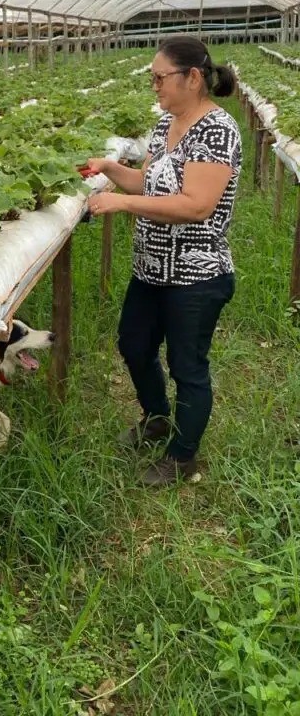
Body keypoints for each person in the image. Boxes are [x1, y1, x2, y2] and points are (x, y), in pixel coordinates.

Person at [86, 36, 241, 486]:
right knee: (133, 344)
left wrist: (122, 206)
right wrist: (110, 170)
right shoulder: (164, 125)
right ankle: (156, 417)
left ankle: (183, 455)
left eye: (160, 78)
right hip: (151, 269)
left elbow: (196, 205)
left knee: (187, 364)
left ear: (192, 78)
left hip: (197, 274)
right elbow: (147, 183)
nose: (154, 86)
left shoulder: (216, 130)